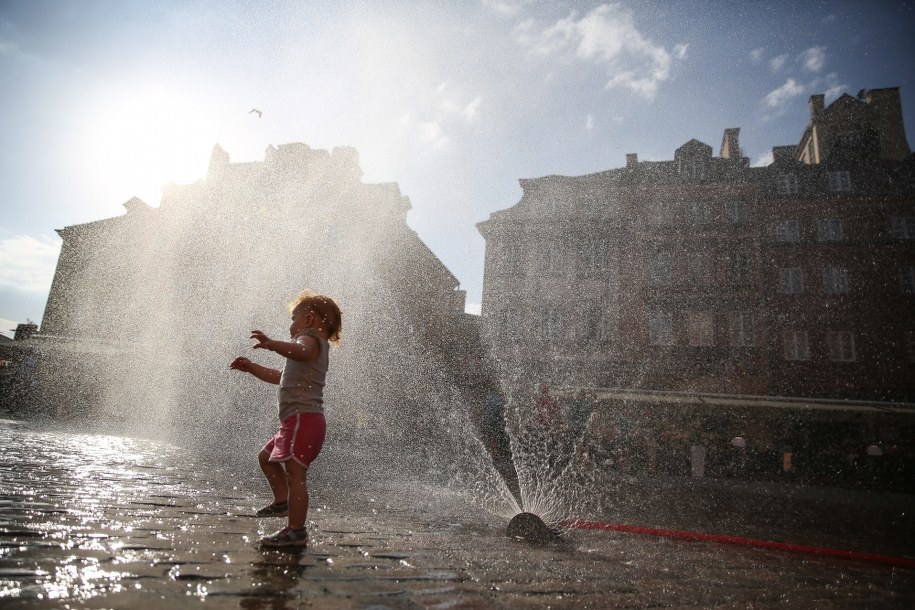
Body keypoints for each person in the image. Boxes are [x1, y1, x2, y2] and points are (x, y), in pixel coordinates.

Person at [230, 289, 342, 547]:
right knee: (266, 458)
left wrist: (270, 343)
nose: (291, 325)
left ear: (309, 320)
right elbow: (280, 377)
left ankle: (295, 530)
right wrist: (252, 367)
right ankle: (282, 502)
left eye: (294, 318)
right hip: (294, 422)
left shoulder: (310, 340)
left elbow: (299, 351)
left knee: (295, 475)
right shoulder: (307, 350)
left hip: (304, 420)